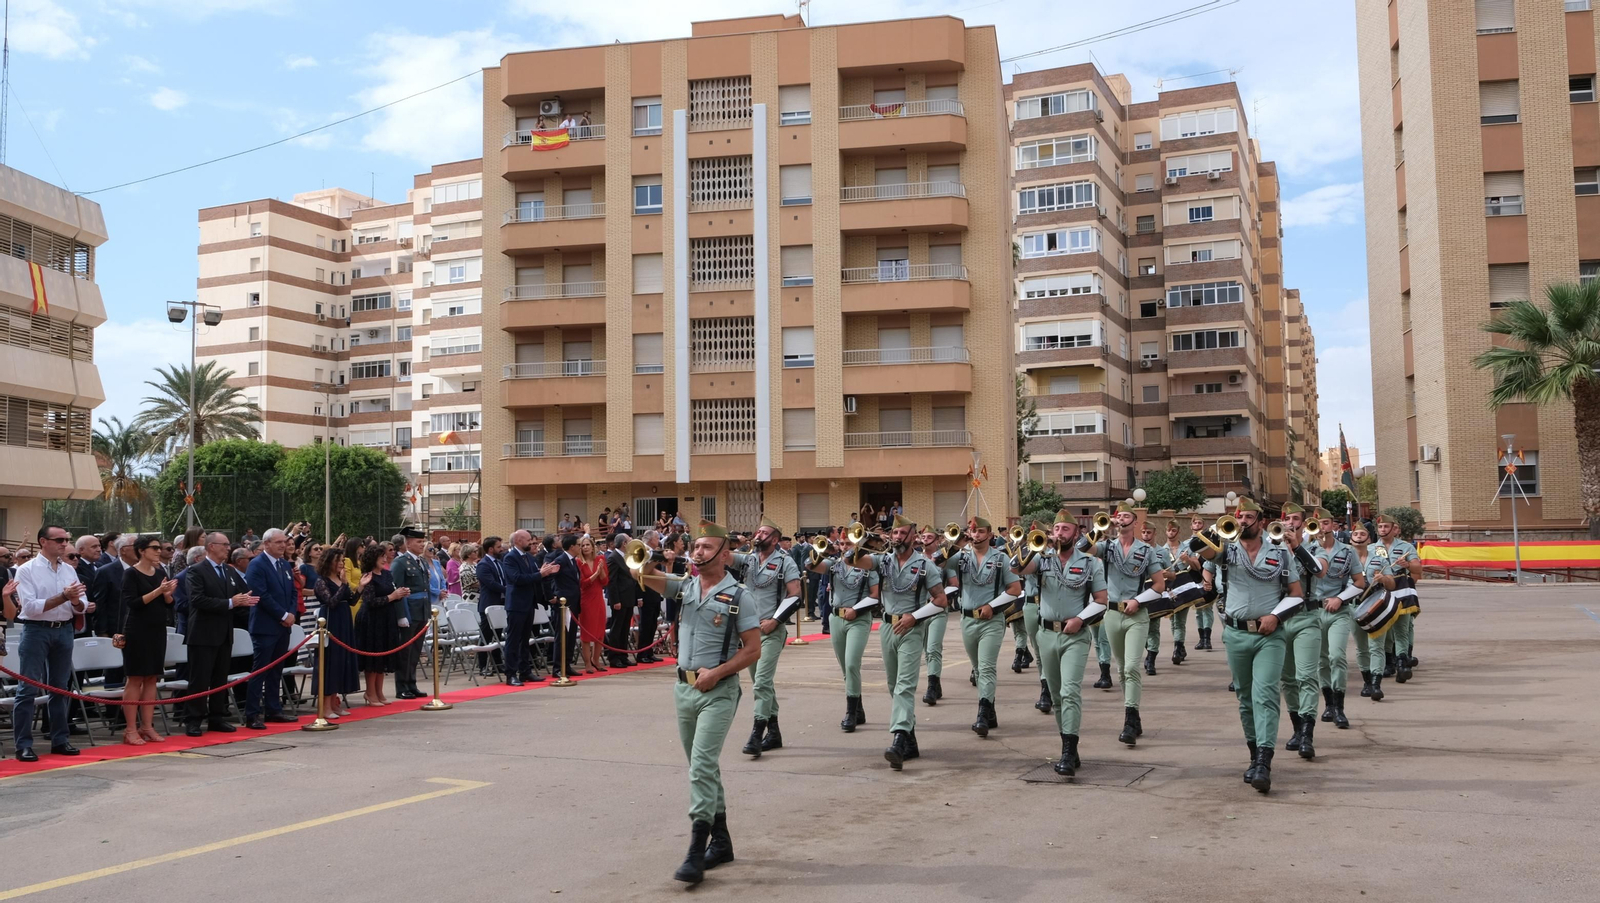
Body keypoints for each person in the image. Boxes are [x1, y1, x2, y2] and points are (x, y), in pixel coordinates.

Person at [636, 520, 761, 887]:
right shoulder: (686, 586)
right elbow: (647, 578)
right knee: (701, 767)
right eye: (696, 546)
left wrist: (719, 672)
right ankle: (722, 842)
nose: (698, 551)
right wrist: (650, 558)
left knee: (702, 766)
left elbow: (753, 649)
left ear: (724, 555)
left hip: (717, 690)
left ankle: (696, 849)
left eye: (706, 548)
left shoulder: (739, 595)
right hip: (684, 689)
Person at [1196, 497, 1305, 794]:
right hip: (1236, 635)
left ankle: (1264, 763)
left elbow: (1296, 594)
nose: (1242, 521)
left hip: (1270, 635)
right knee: (1245, 697)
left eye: (1248, 517)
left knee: (1265, 694)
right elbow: (1199, 549)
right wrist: (1211, 532)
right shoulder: (1226, 551)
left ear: (1260, 521)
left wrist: (1275, 615)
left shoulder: (1280, 554)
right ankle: (1254, 754)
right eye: (1238, 516)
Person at [1017, 510, 1109, 775]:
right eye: (1056, 530)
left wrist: (1080, 619)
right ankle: (1069, 745)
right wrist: (1033, 548)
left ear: (1076, 533)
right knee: (1056, 696)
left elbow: (1101, 600)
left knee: (1070, 691)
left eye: (1065, 530)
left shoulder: (1091, 563)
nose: (1059, 534)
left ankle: (1067, 752)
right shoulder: (1042, 561)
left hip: (1075, 636)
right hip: (1046, 635)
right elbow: (1016, 567)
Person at [863, 514, 947, 769]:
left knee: (904, 685)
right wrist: (862, 539)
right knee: (892, 685)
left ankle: (899, 739)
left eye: (903, 534)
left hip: (911, 628)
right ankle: (910, 740)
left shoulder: (924, 565)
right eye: (895, 533)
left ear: (913, 537)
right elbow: (854, 561)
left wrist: (915, 617)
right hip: (888, 626)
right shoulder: (882, 561)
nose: (898, 538)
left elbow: (941, 600)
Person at [11, 525, 92, 761]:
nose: (64, 543)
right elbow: (30, 608)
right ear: (43, 541)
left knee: (60, 688)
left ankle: (60, 739)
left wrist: (76, 601)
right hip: (37, 630)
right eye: (59, 539)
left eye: (66, 540)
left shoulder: (68, 570)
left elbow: (83, 604)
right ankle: (23, 744)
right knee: (28, 688)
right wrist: (65, 597)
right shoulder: (26, 570)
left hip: (64, 630)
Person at [1095, 503, 1166, 746]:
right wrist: (1101, 528)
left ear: (1135, 522)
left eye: (1126, 516)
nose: (1121, 519)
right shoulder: (1107, 547)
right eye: (1119, 516)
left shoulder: (1145, 551)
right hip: (1112, 614)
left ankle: (1129, 720)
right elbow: (1083, 546)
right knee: (1121, 668)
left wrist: (1138, 599)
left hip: (1136, 614)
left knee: (1132, 668)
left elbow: (1159, 585)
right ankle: (1134, 716)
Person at [730, 517, 802, 758]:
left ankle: (756, 733)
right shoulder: (748, 559)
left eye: (763, 532)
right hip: (749, 632)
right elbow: (725, 557)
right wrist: (726, 542)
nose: (758, 535)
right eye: (757, 531)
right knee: (763, 683)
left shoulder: (785, 562)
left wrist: (776, 620)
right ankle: (774, 732)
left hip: (771, 630)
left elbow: (794, 595)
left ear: (774, 538)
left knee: (761, 682)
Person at [947, 517, 1022, 739]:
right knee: (978, 668)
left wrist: (993, 605)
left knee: (987, 667)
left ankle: (981, 714)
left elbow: (1015, 589)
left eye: (980, 532)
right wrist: (956, 540)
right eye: (973, 532)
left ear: (989, 534)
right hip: (967, 619)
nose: (976, 535)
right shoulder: (960, 558)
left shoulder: (1001, 558)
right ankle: (990, 709)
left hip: (992, 620)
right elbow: (936, 562)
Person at [183, 532, 256, 737]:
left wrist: (246, 602)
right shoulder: (196, 571)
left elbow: (243, 594)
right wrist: (232, 603)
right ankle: (194, 719)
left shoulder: (228, 571)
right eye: (224, 545)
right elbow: (197, 600)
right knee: (199, 679)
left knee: (219, 678)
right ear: (211, 546)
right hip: (203, 633)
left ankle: (216, 717)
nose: (228, 548)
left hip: (224, 632)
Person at [813, 535, 878, 732]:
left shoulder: (867, 566)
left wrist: (857, 609)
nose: (844, 547)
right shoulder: (834, 565)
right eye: (841, 544)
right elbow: (810, 566)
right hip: (836, 618)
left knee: (851, 663)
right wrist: (823, 551)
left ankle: (850, 712)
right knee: (845, 668)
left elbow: (876, 595)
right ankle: (858, 708)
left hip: (858, 619)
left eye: (848, 544)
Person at [119, 536, 178, 745]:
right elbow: (133, 603)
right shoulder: (131, 574)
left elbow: (169, 604)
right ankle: (130, 729)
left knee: (152, 677)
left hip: (157, 629)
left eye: (159, 548)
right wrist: (158, 591)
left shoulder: (161, 572)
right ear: (141, 550)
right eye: (154, 548)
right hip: (137, 630)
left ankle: (147, 726)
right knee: (135, 678)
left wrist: (168, 595)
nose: (158, 551)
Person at [242, 529, 301, 728]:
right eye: (278, 542)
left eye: (284, 542)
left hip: (284, 625)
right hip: (265, 626)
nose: (283, 545)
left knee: (276, 670)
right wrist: (283, 615)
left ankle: (273, 709)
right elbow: (261, 594)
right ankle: (252, 714)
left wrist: (291, 614)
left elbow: (293, 592)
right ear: (266, 544)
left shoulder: (284, 564)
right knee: (260, 670)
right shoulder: (257, 565)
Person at [1310, 508, 1362, 731]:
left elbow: (1359, 582)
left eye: (1326, 523)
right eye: (1317, 523)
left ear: (1333, 525)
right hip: (1314, 610)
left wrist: (1340, 598)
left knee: (1336, 656)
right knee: (1321, 660)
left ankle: (1340, 707)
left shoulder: (1348, 551)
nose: (1322, 527)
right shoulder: (1306, 549)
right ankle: (1329, 704)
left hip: (1338, 610)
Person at [1374, 514, 1423, 684]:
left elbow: (1418, 568)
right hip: (1381, 591)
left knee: (1403, 627)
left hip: (1401, 589)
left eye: (1386, 527)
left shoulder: (1405, 547)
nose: (1383, 530)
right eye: (1380, 527)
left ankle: (1403, 661)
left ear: (1393, 529)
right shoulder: (1372, 548)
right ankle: (1389, 660)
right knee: (1385, 628)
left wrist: (1408, 565)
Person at [355, 544, 405, 706]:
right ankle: (370, 692)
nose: (385, 559)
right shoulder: (368, 576)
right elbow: (370, 601)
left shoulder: (386, 574)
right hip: (371, 620)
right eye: (381, 556)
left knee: (383, 656)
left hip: (386, 618)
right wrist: (392, 596)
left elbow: (391, 593)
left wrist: (400, 595)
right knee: (373, 657)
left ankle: (379, 691)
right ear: (373, 559)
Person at [312, 549, 359, 718]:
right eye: (338, 560)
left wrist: (360, 587)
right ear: (329, 562)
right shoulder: (321, 581)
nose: (341, 563)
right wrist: (345, 585)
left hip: (344, 621)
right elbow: (331, 602)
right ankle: (325, 707)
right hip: (331, 621)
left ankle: (334, 702)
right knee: (330, 662)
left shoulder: (340, 579)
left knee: (342, 661)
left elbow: (351, 601)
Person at [388, 528, 431, 700]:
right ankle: (402, 686)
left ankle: (412, 683)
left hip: (421, 610)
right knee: (405, 651)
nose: (422, 545)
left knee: (415, 650)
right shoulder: (400, 562)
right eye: (418, 542)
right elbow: (397, 590)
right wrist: (400, 615)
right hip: (409, 610)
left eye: (422, 542)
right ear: (407, 542)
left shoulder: (421, 562)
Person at [1350, 524, 1389, 701]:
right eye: (1355, 533)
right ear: (1350, 539)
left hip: (1375, 606)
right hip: (1353, 606)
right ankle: (1367, 681)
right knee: (1362, 647)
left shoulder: (1379, 559)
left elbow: (1392, 584)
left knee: (1376, 646)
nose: (1358, 536)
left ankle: (1376, 684)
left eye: (1362, 533)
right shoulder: (1345, 559)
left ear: (1369, 539)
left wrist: (1384, 578)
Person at [543, 534, 582, 677]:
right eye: (578, 544)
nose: (580, 547)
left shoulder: (573, 561)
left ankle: (567, 664)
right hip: (563, 604)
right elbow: (546, 576)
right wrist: (551, 596)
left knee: (571, 635)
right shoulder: (561, 560)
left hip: (573, 603)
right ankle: (558, 668)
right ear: (572, 547)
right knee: (562, 636)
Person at [603, 533, 640, 668]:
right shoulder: (613, 557)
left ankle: (623, 655)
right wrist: (615, 600)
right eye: (630, 541)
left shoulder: (627, 557)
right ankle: (614, 657)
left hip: (628, 597)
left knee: (625, 628)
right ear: (624, 543)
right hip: (619, 599)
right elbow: (611, 581)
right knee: (617, 628)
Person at [574, 534, 609, 673]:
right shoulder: (578, 562)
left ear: (593, 547)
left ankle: (596, 660)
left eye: (588, 545)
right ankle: (587, 663)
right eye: (582, 545)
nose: (585, 547)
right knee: (587, 634)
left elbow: (605, 582)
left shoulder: (601, 559)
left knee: (600, 632)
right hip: (586, 599)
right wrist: (596, 574)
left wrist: (600, 572)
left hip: (598, 598)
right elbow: (583, 584)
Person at [1187, 513, 1218, 649]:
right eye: (1195, 523)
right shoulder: (1186, 544)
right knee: (1198, 610)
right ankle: (1201, 638)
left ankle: (1207, 638)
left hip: (1208, 577)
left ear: (1203, 525)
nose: (1197, 526)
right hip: (1195, 578)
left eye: (1200, 523)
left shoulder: (1209, 542)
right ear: (1191, 525)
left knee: (1207, 609)